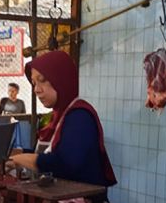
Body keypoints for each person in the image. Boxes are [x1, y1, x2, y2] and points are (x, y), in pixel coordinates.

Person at [10, 50, 117, 190]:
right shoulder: (58, 116)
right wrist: (18, 153)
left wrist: (21, 159)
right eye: (34, 82)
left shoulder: (79, 116)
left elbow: (64, 164)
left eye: (42, 80)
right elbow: (49, 153)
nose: (36, 89)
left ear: (61, 79)